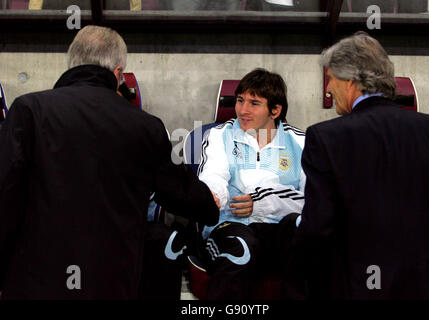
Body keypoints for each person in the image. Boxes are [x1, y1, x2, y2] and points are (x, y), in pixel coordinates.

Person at [0, 25, 219, 299]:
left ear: (72, 62)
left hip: (36, 278)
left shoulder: (28, 110)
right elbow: (177, 191)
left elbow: (5, 194)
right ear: (117, 74)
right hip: (110, 279)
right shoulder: (144, 126)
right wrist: (210, 204)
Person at [284, 32, 429, 299]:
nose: (328, 88)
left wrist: (294, 282)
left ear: (351, 82)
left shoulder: (327, 138)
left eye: (331, 79)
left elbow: (318, 227)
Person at [198, 68, 305, 299]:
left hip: (278, 230)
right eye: (239, 100)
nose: (242, 110)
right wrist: (213, 196)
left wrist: (261, 203)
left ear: (275, 110)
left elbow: (314, 202)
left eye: (254, 103)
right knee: (242, 246)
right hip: (232, 227)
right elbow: (213, 175)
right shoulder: (220, 135)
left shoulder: (301, 142)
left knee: (303, 230)